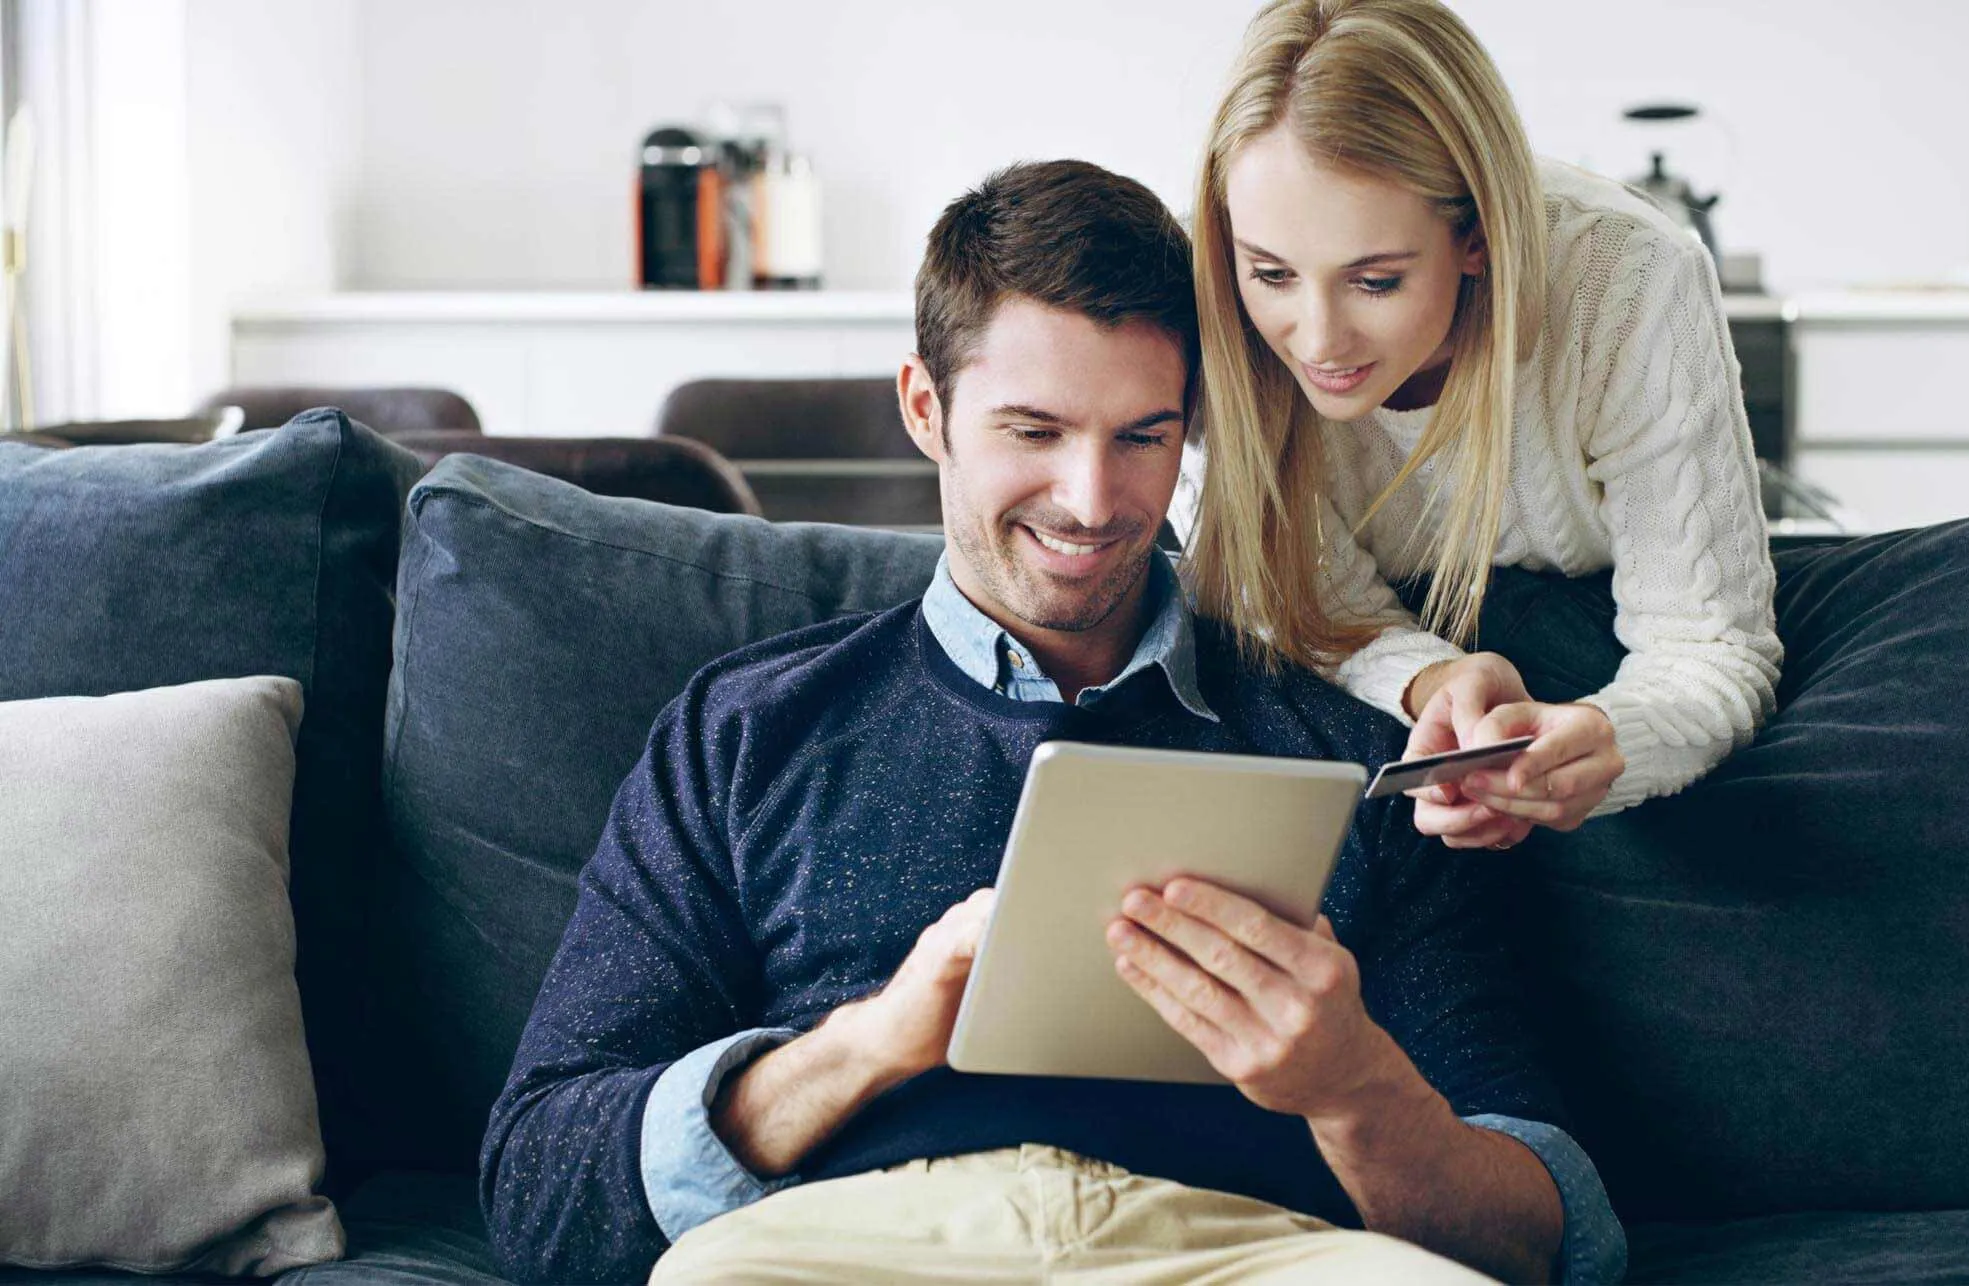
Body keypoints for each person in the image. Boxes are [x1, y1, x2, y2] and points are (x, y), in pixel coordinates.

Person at [480, 159, 1624, 1286]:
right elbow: (538, 1187)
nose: (1090, 501)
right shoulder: (745, 733)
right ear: (926, 408)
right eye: (1033, 431)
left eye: (1141, 437)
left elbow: (1548, 1237)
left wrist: (1352, 1084)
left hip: (1242, 1246)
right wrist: (866, 1044)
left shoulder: (1352, 746)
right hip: (861, 1246)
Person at [1176, 0, 1782, 850]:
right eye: (1271, 273)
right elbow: (1302, 607)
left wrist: (1608, 743)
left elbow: (1707, 644)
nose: (1317, 341)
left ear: (1476, 238)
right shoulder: (1202, 302)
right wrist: (1432, 681)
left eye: (1375, 282)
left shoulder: (1630, 276)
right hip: (1405, 646)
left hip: (1605, 616)